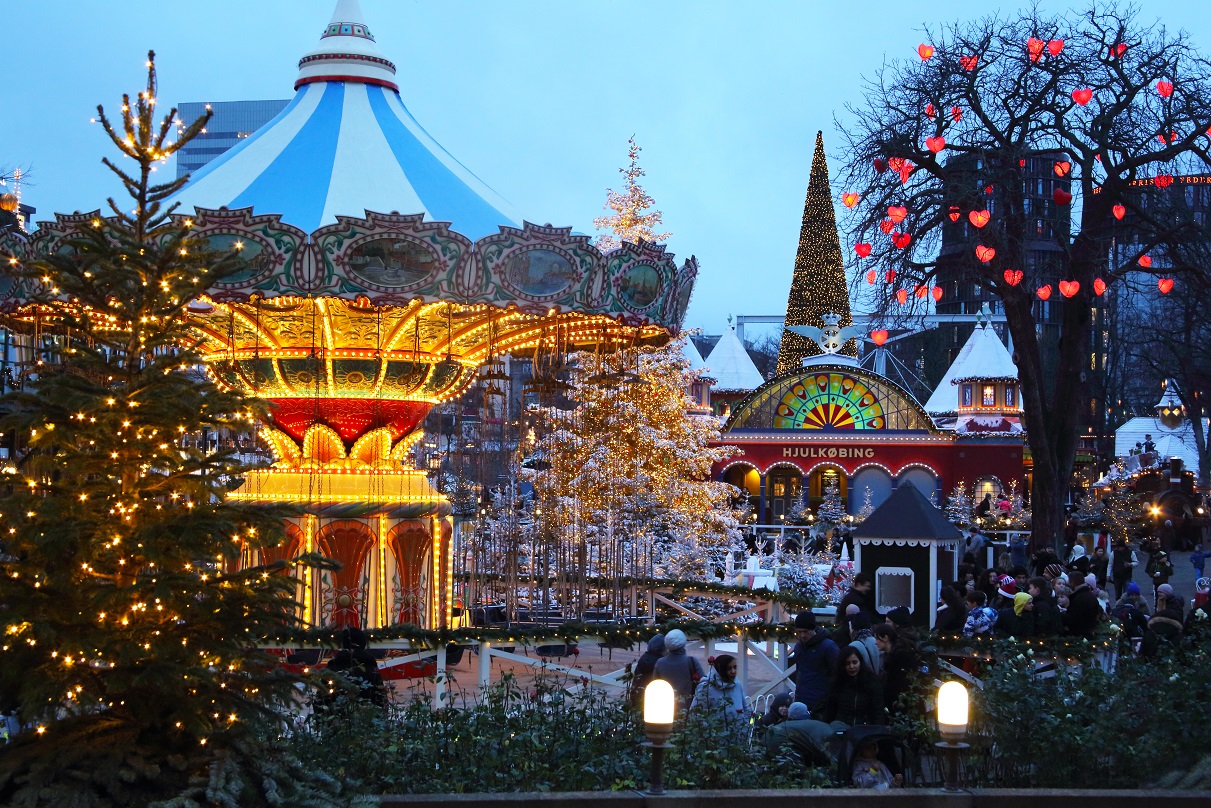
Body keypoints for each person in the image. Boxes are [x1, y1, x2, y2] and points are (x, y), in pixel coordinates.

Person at [816, 645, 885, 728]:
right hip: (841, 729)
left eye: (855, 662)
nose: (852, 667)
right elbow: (830, 709)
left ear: (860, 662)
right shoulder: (837, 684)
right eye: (847, 663)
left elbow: (878, 711)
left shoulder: (872, 683)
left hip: (865, 731)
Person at [788, 611, 840, 712]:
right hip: (802, 700)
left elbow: (838, 674)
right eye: (799, 632)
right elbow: (799, 672)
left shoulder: (828, 647)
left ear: (813, 629)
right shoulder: (799, 647)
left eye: (805, 631)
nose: (802, 635)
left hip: (821, 703)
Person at [873, 623, 918, 716]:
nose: (875, 642)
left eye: (877, 638)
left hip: (900, 707)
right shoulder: (894, 654)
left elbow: (898, 684)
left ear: (885, 638)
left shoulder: (900, 656)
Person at [652, 629, 704, 708]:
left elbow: (655, 684)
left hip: (666, 707)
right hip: (689, 706)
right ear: (683, 643)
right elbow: (704, 683)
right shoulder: (691, 661)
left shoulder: (660, 662)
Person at [691, 654, 748, 725]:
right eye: (729, 668)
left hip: (739, 733)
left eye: (734, 667)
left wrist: (746, 728)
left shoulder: (737, 685)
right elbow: (695, 713)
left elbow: (745, 709)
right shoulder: (706, 687)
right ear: (720, 670)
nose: (733, 671)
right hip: (715, 734)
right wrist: (709, 732)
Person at [630, 633, 666, 708]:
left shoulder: (643, 659)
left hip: (638, 696)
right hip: (654, 701)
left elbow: (636, 680)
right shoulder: (661, 663)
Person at [1064, 573, 1102, 638]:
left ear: (1073, 583)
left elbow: (1073, 618)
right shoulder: (1089, 595)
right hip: (1088, 632)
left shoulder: (1080, 598)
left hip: (1080, 635)